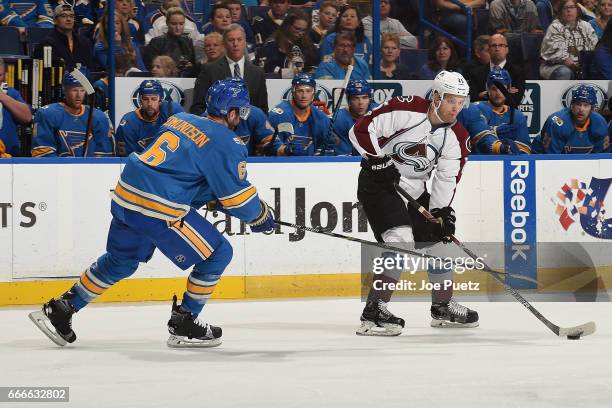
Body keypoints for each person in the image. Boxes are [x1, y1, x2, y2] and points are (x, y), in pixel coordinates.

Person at [29, 79, 275, 348]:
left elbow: (179, 169)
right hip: (157, 207)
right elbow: (239, 200)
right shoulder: (227, 141)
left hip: (126, 195)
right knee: (219, 253)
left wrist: (208, 196)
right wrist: (261, 216)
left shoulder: (180, 119)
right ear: (231, 112)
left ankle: (62, 307)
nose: (241, 118)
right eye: (240, 111)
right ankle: (185, 322)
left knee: (122, 261)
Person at [349, 70, 477, 336]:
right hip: (379, 184)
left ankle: (442, 307)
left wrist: (440, 212)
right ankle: (374, 312)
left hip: (414, 190)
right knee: (400, 239)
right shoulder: (406, 108)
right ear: (437, 97)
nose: (457, 107)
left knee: (439, 240)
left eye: (461, 101)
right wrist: (376, 159)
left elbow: (446, 178)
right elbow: (360, 129)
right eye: (451, 100)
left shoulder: (457, 137)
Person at [31, 69, 114, 158]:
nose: (78, 95)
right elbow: (43, 153)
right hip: (58, 170)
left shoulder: (98, 117)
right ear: (64, 90)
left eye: (82, 90)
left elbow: (104, 155)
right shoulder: (47, 114)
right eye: (74, 90)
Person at [191, 24, 268, 115]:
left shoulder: (258, 73)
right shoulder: (209, 70)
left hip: (248, 127)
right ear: (224, 44)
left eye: (239, 40)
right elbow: (198, 107)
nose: (235, 44)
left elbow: (263, 109)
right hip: (217, 126)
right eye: (231, 40)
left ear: (245, 42)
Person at [532, 84, 609, 153]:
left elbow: (600, 157)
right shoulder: (557, 121)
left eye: (586, 105)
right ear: (571, 106)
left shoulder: (600, 122)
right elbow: (551, 158)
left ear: (592, 109)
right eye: (578, 104)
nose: (581, 109)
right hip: (543, 159)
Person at [115, 79, 184, 156]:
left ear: (160, 100)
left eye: (154, 99)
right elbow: (127, 159)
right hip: (141, 165)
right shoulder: (128, 123)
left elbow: (185, 144)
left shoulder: (173, 112)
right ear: (140, 100)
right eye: (145, 99)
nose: (149, 104)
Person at [268, 73, 330, 156]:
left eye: (308, 91)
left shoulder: (321, 118)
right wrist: (284, 150)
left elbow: (328, 148)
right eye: (300, 91)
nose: (304, 96)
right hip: (282, 164)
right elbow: (269, 147)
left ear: (313, 94)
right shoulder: (277, 116)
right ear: (293, 92)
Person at [472, 69, 531, 154]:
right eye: (494, 89)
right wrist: (496, 131)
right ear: (487, 90)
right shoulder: (476, 109)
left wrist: (512, 150)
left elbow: (525, 150)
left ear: (508, 89)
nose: (498, 93)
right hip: (480, 163)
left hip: (507, 163)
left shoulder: (517, 116)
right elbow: (471, 140)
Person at [540, 0, 598, 79]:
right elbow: (557, 53)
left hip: (583, 65)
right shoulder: (555, 27)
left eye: (572, 7)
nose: (569, 10)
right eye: (565, 8)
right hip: (556, 66)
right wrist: (574, 65)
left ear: (577, 10)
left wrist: (586, 63)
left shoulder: (586, 25)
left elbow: (594, 45)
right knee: (565, 71)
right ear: (561, 12)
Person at [254, 10, 320, 75]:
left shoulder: (308, 44)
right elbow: (267, 67)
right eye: (297, 28)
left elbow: (315, 64)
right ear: (287, 26)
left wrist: (309, 72)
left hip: (304, 83)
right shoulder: (273, 44)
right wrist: (288, 73)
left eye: (303, 30)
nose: (300, 33)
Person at [466, 34, 525, 103]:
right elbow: (473, 98)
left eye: (501, 45)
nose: (497, 49)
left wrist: (485, 94)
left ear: (507, 49)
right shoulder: (476, 73)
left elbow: (516, 100)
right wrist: (506, 92)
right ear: (489, 50)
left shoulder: (517, 72)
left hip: (508, 113)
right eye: (494, 45)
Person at [33, 5, 94, 71]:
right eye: (63, 16)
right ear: (55, 20)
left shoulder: (84, 42)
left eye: (71, 16)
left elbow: (89, 67)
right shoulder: (46, 43)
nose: (68, 19)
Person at [144, 7, 197, 76]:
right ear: (167, 23)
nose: (178, 27)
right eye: (174, 24)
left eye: (181, 24)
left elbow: (193, 64)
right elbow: (151, 68)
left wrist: (190, 66)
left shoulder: (188, 41)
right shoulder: (156, 42)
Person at [0, 58, 32, 157]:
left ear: (5, 75)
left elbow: (27, 117)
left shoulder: (11, 93)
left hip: (10, 157)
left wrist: (3, 97)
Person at [332, 79, 373, 155]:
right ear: (349, 100)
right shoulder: (339, 119)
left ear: (369, 99)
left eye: (364, 97)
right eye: (355, 98)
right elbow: (343, 154)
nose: (360, 102)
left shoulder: (378, 115)